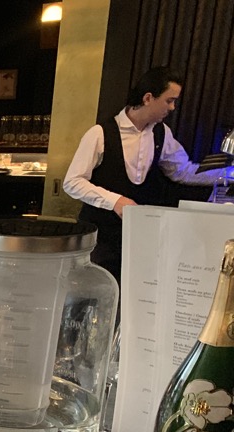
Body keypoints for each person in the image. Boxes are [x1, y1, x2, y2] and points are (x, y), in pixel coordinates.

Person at [63, 66, 227, 284]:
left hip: (137, 233)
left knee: (132, 290)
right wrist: (115, 201)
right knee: (96, 290)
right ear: (148, 98)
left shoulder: (161, 132)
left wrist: (226, 174)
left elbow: (182, 171)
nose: (172, 107)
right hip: (99, 235)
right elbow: (72, 182)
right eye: (169, 101)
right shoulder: (100, 133)